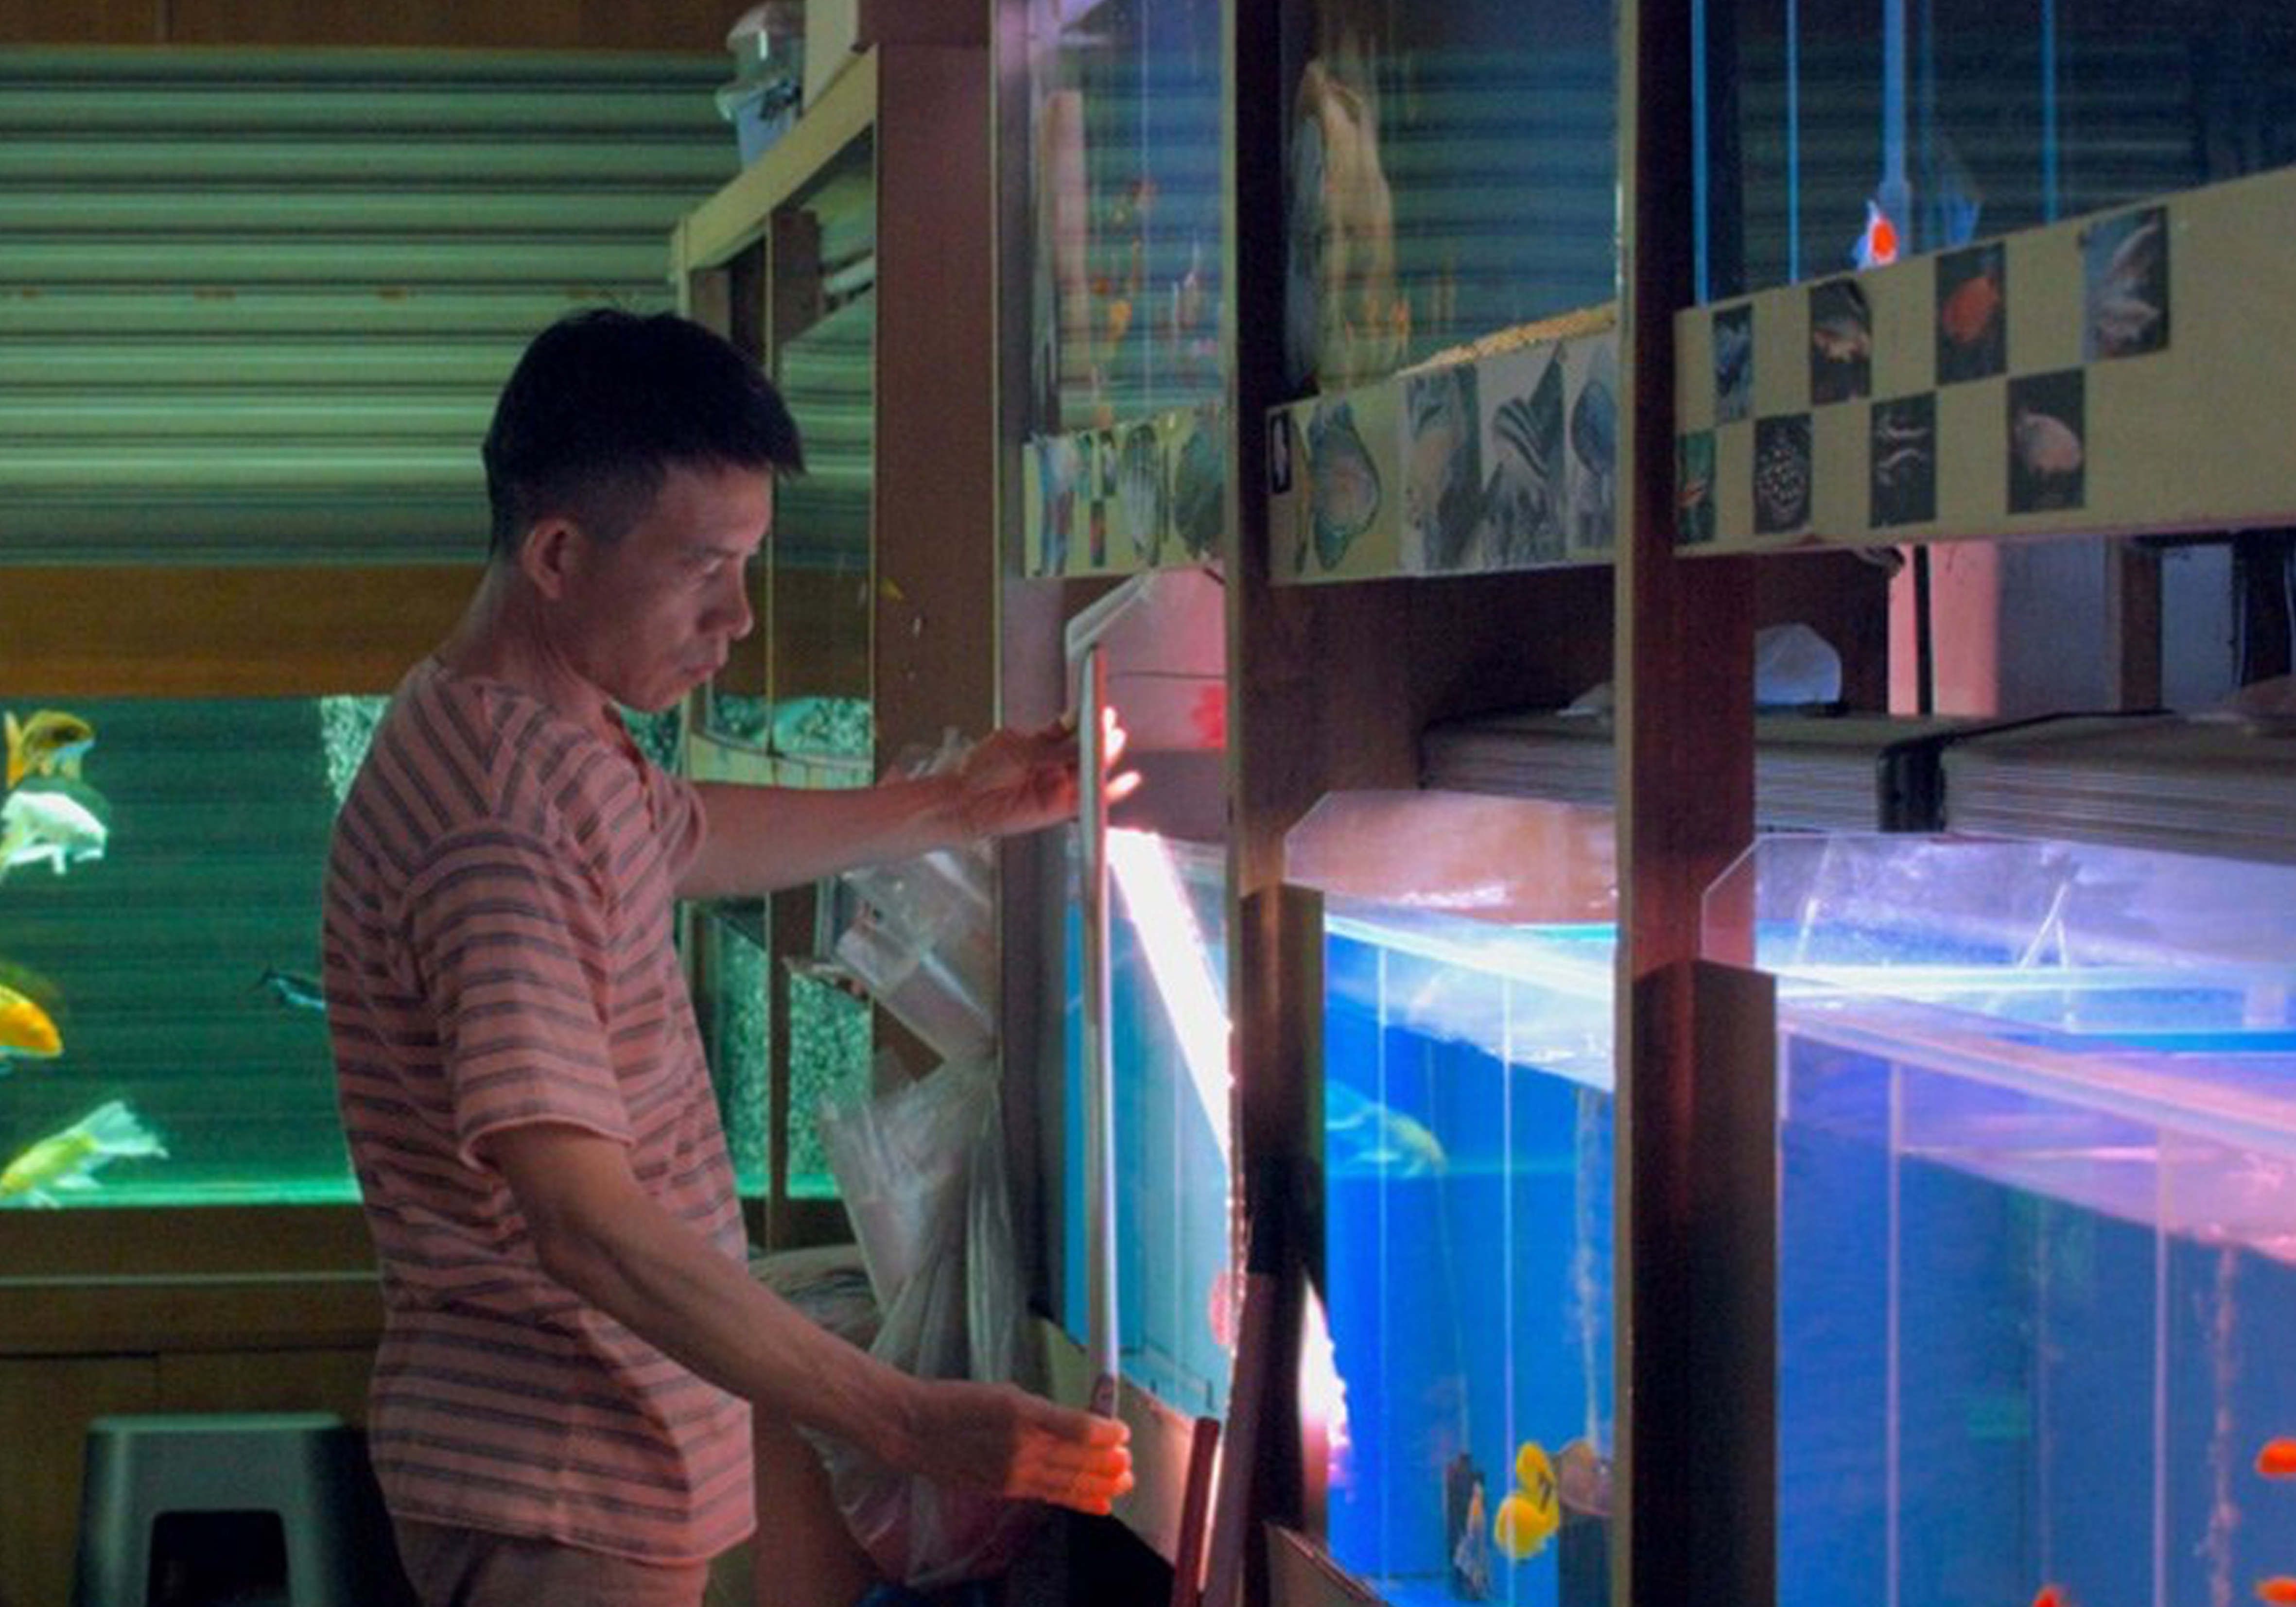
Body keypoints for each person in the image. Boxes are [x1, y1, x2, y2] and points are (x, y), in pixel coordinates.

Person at [321, 308, 1131, 1607]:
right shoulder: (499, 830)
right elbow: (585, 1224)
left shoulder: (529, 730)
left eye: (748, 564)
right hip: (560, 1486)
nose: (740, 618)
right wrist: (908, 1420)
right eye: (703, 569)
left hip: (591, 1463)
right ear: (557, 553)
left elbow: (683, 833)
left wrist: (954, 805)